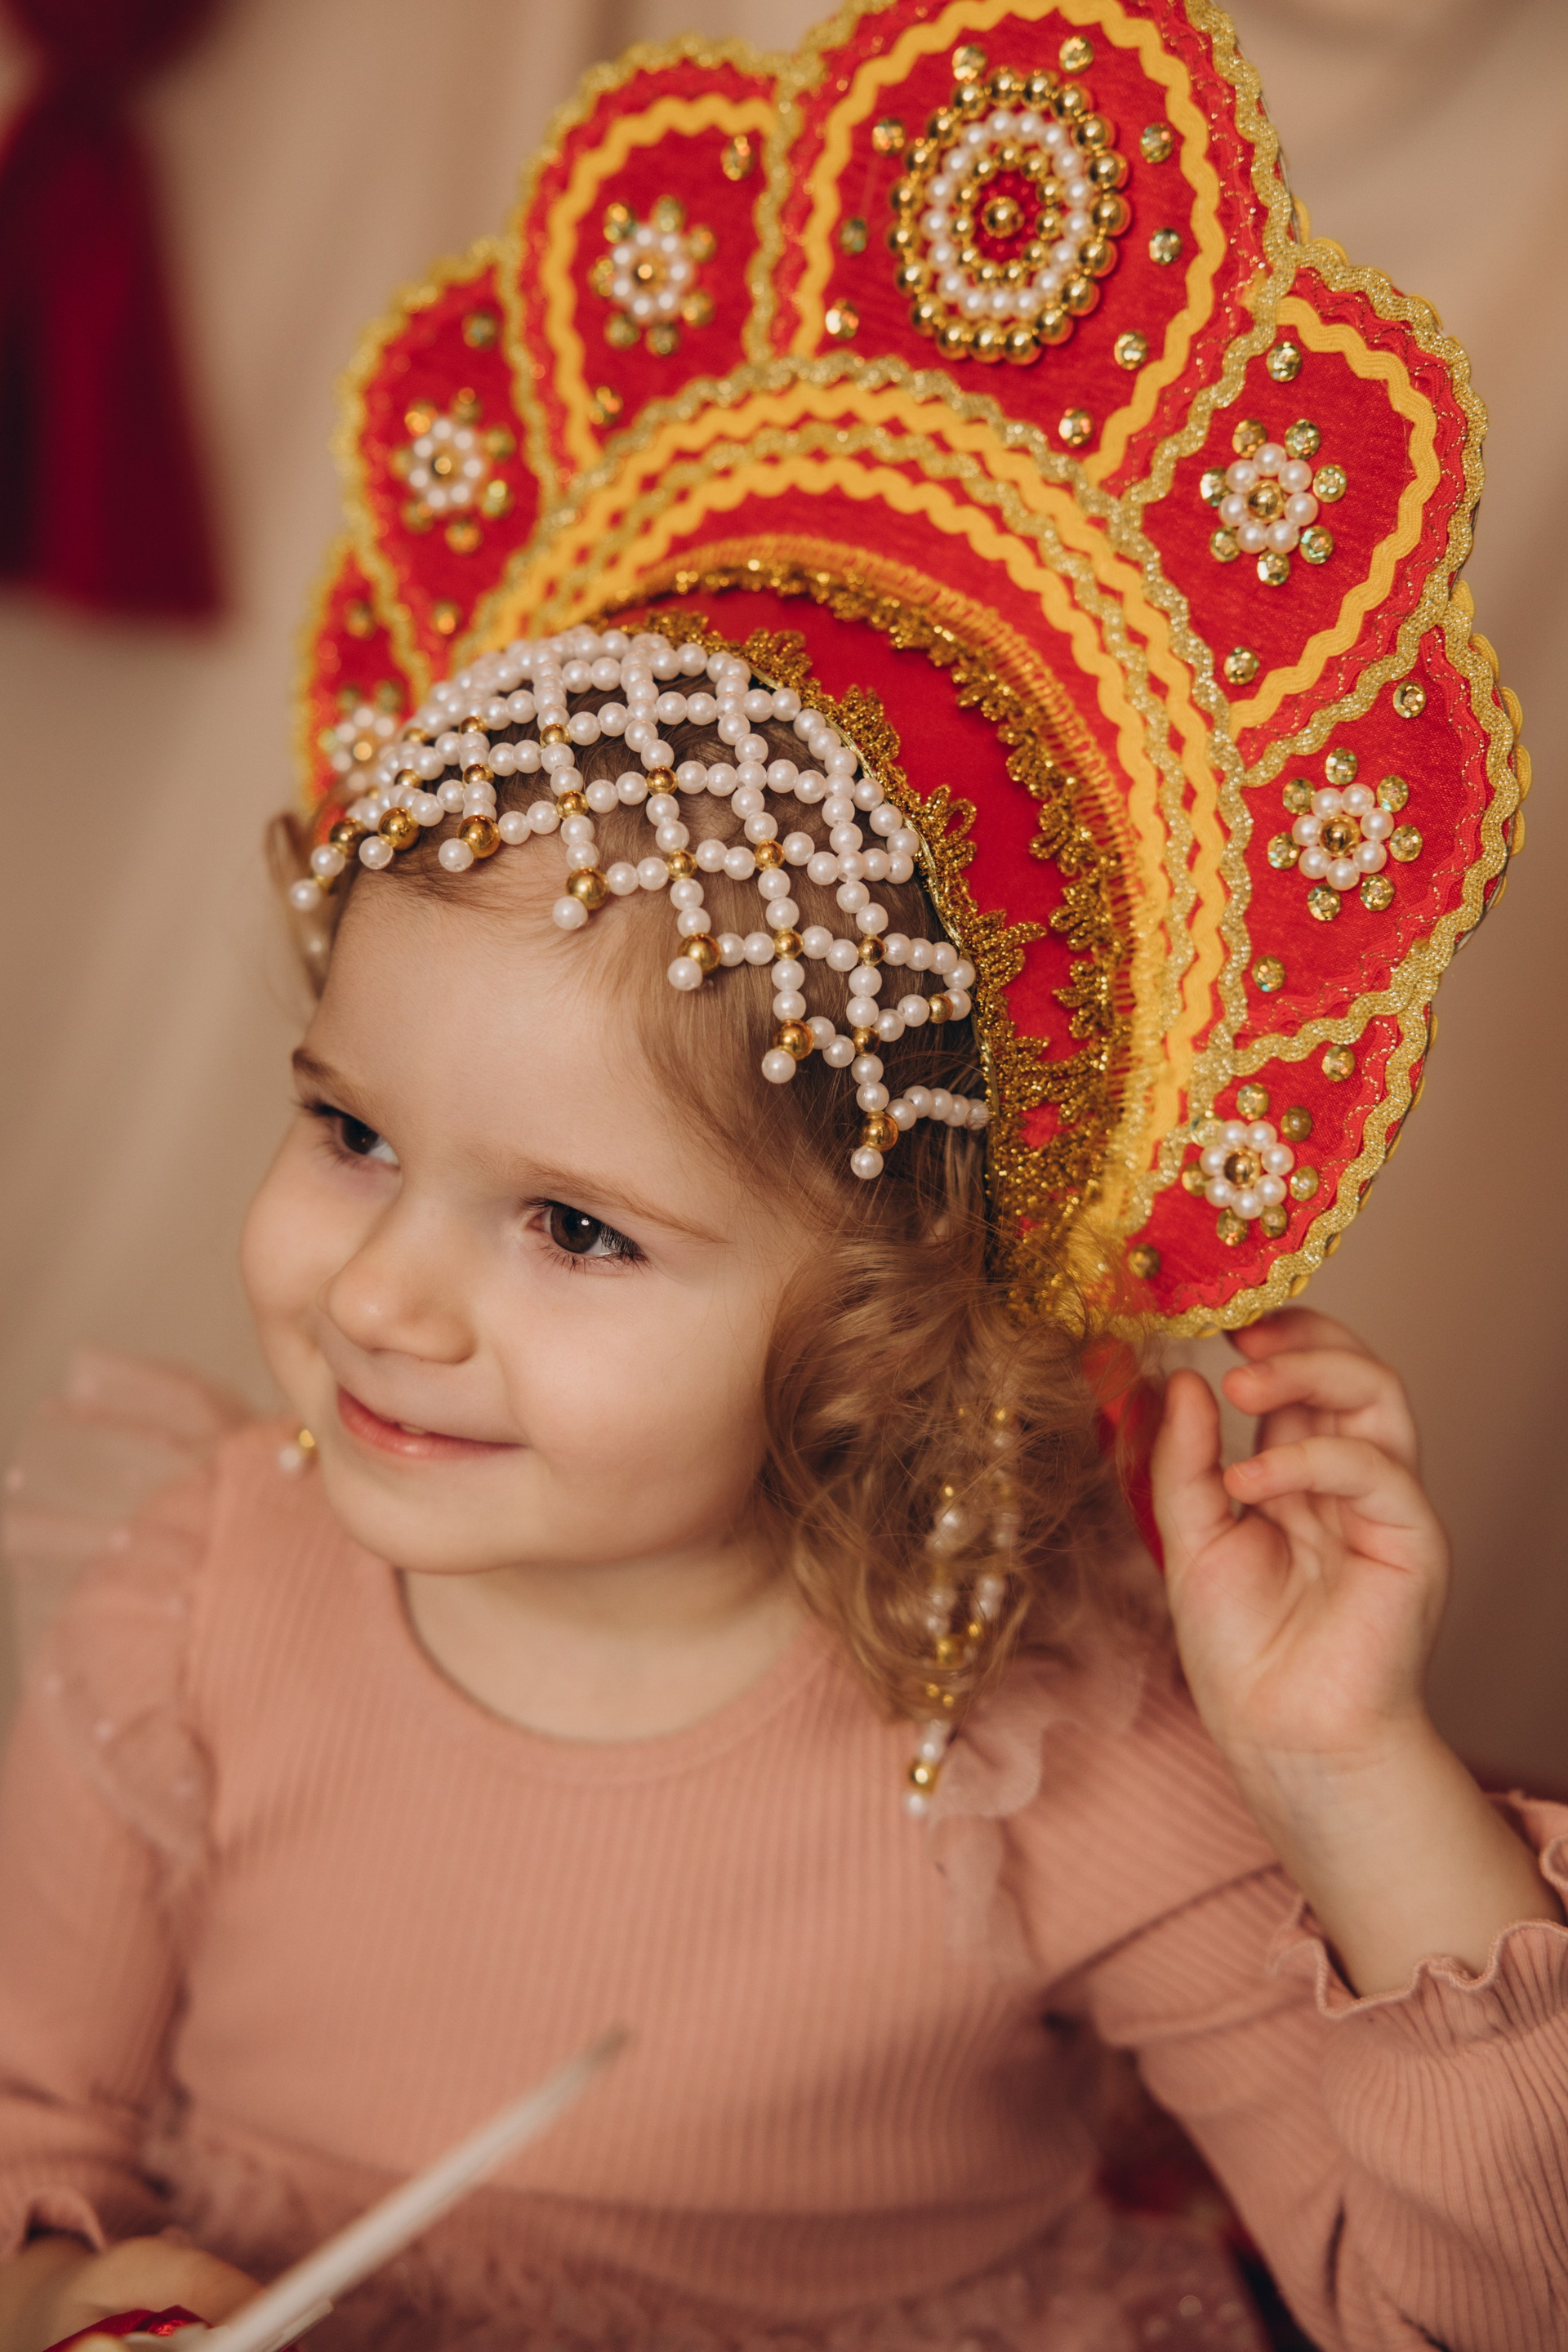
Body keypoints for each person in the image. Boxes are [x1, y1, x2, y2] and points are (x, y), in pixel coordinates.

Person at [2, 6, 1563, 2349]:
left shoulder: (1040, 1743)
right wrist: (77, 2298)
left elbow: (1476, 2311)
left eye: (574, 1226)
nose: (385, 1294)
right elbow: (26, 2147)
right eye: (350, 1131)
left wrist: (1342, 1769)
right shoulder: (198, 1606)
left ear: (892, 1311)